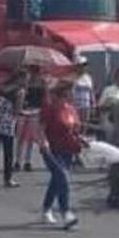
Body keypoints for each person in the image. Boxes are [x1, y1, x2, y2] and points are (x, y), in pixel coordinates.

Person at [39, 81, 84, 229]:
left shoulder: (71, 109)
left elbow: (75, 130)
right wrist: (43, 142)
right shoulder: (50, 108)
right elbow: (40, 128)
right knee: (62, 176)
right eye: (71, 92)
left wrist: (82, 140)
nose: (73, 95)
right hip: (51, 150)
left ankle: (46, 209)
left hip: (68, 149)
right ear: (62, 94)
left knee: (56, 180)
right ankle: (66, 213)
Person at [14, 65, 47, 172]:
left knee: (30, 138)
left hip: (35, 111)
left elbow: (44, 99)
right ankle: (18, 161)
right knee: (21, 137)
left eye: (37, 71)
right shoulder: (23, 84)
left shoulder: (42, 83)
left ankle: (27, 161)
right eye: (34, 71)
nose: (35, 73)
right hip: (23, 112)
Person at [98, 68, 119, 142]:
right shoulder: (108, 90)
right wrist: (109, 104)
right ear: (116, 77)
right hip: (109, 122)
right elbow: (100, 106)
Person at [71, 57, 95, 135]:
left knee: (85, 123)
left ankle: (83, 136)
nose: (83, 67)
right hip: (76, 105)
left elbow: (91, 91)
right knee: (77, 123)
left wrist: (93, 103)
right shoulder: (73, 78)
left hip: (86, 105)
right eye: (81, 65)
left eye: (85, 65)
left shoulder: (88, 78)